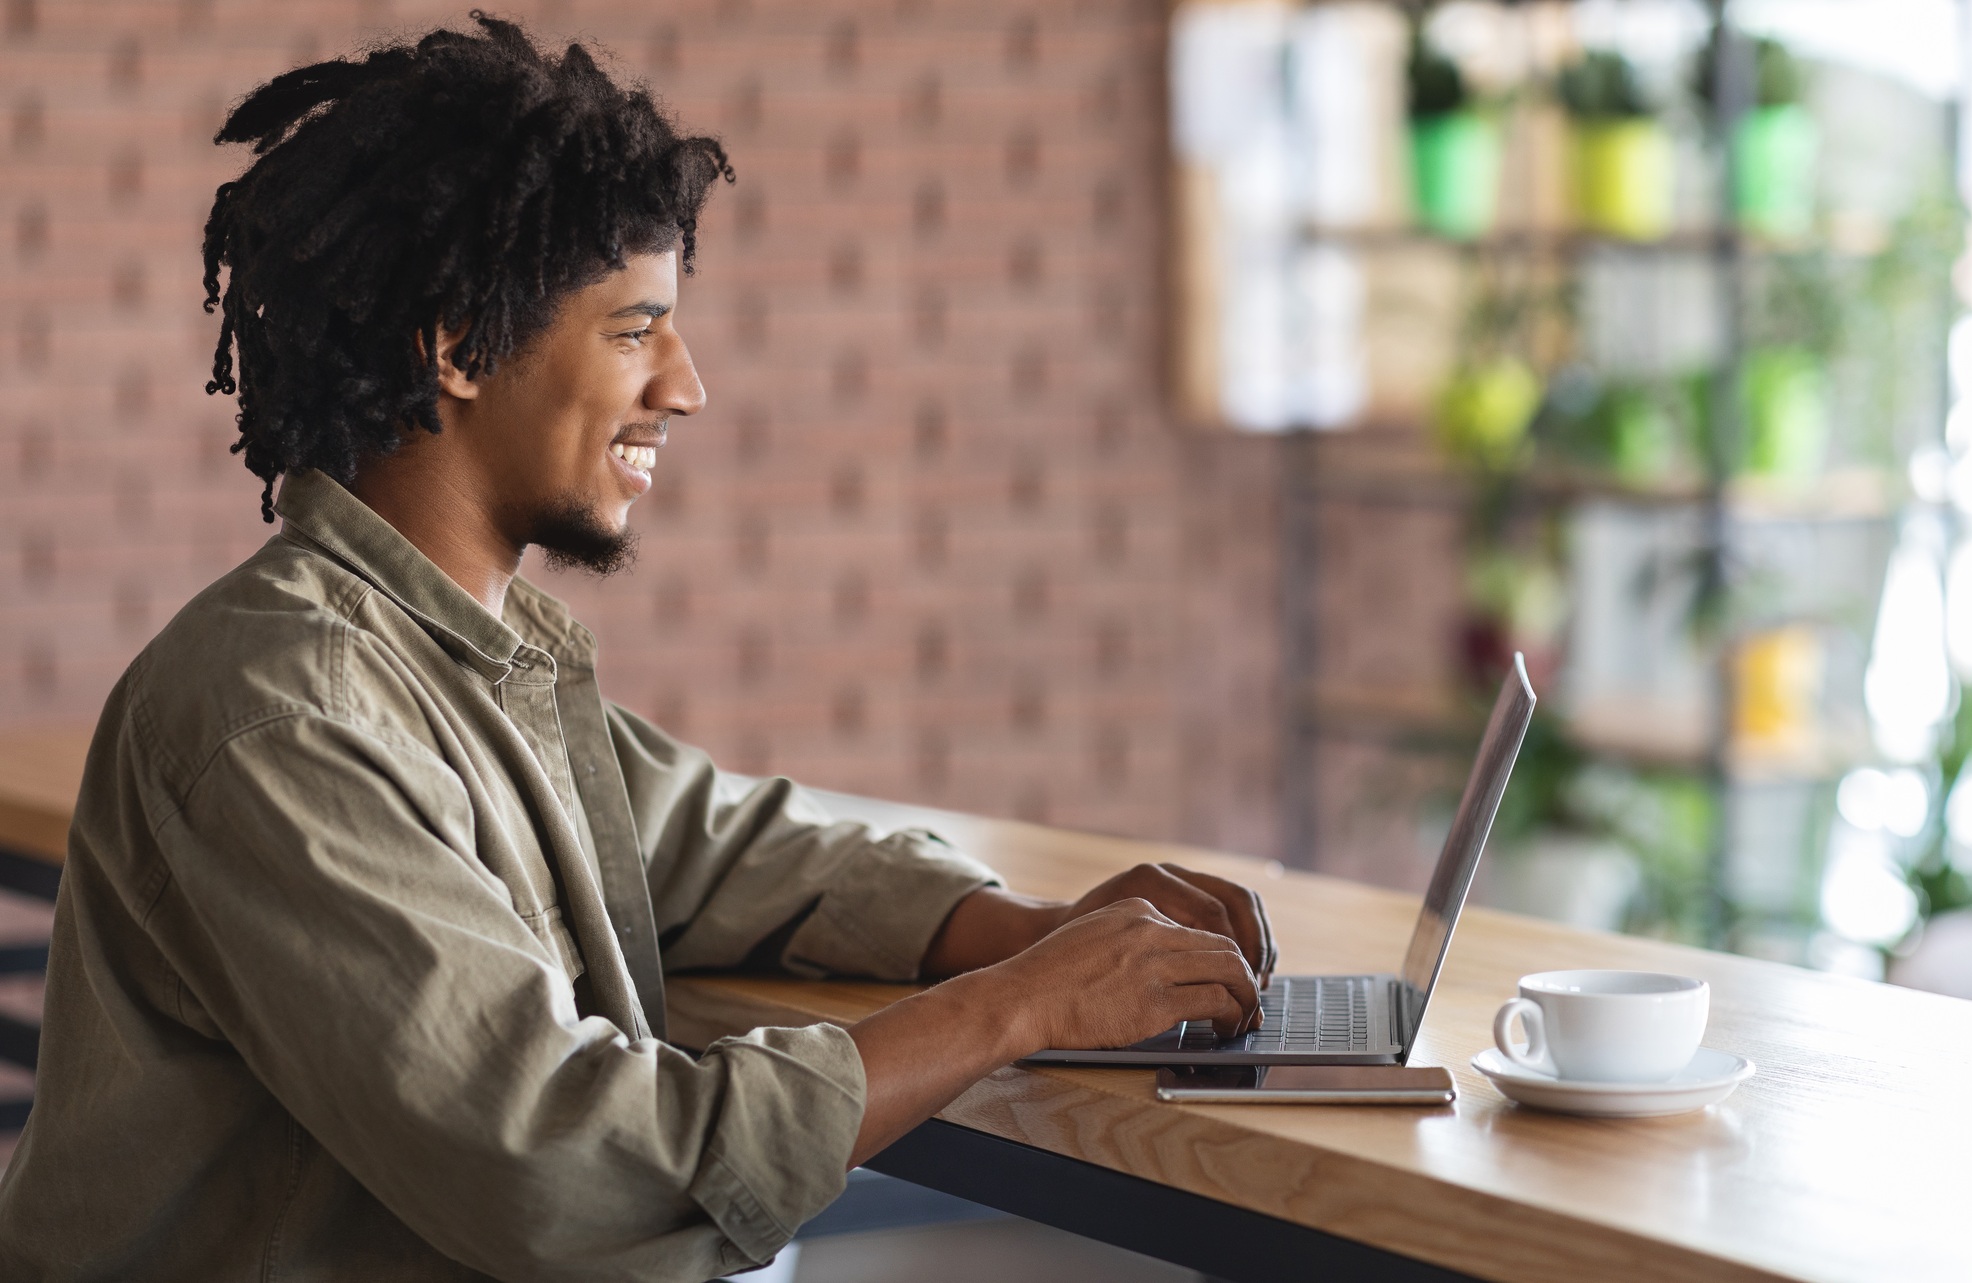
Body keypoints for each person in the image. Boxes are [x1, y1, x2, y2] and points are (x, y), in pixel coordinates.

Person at [0, 16, 1275, 1281]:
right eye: (631, 329)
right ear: (456, 345)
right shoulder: (282, 713)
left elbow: (716, 842)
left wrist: (1027, 928)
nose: (685, 385)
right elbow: (570, 1166)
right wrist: (1019, 1007)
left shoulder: (460, 654)